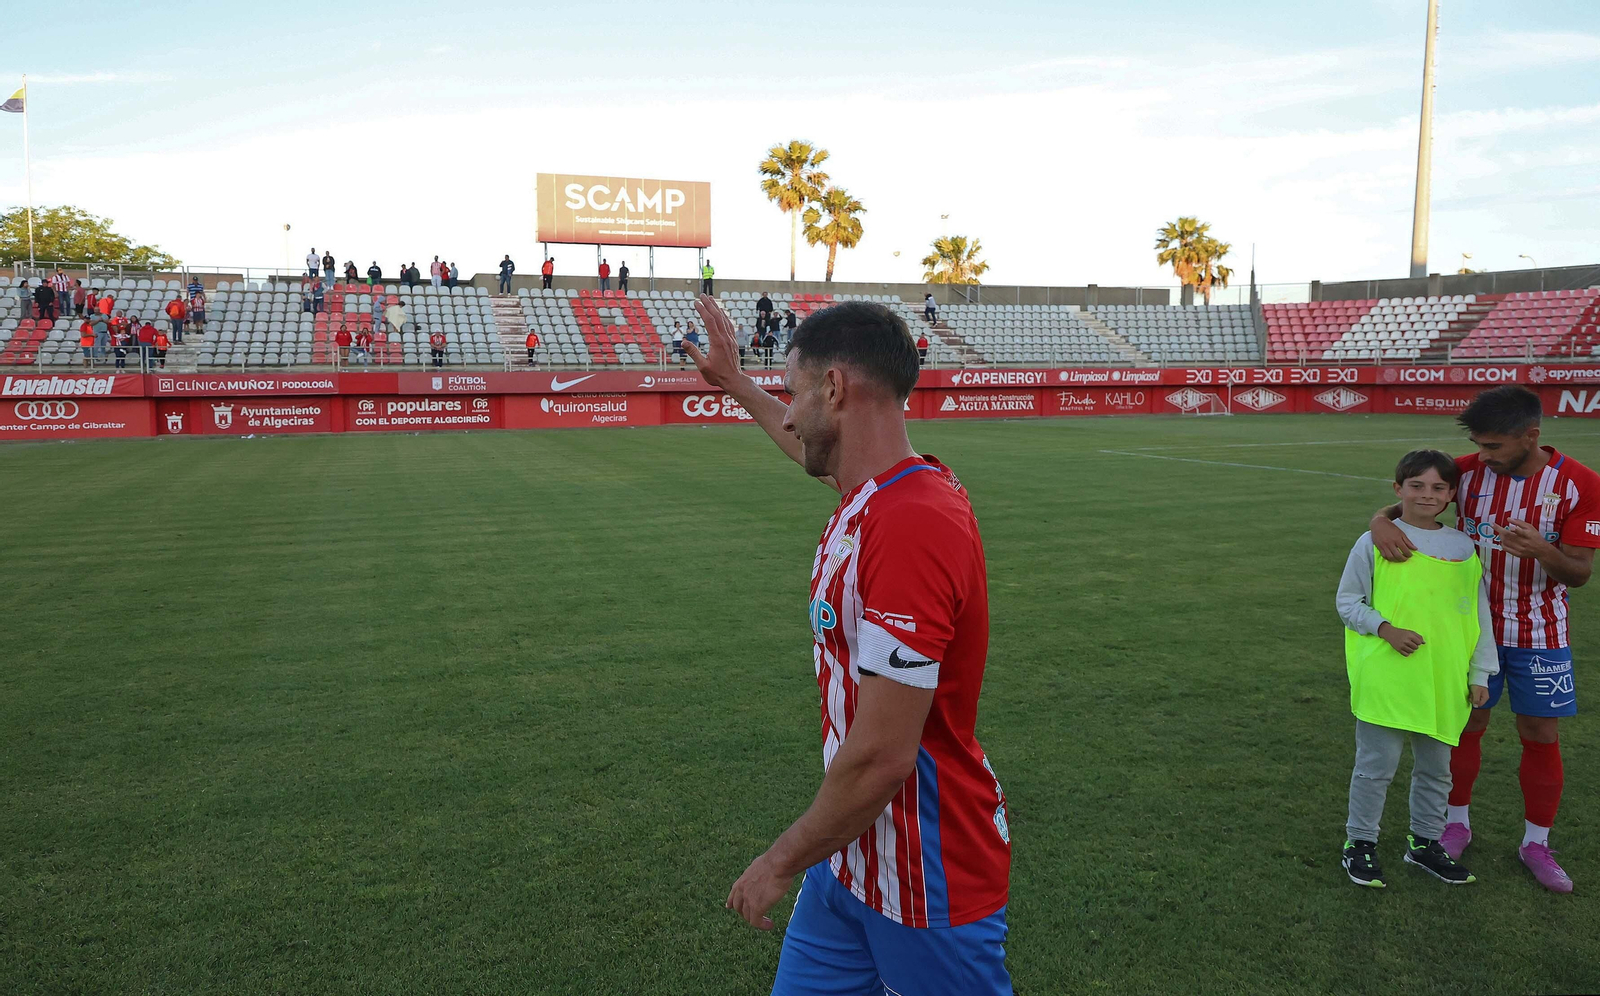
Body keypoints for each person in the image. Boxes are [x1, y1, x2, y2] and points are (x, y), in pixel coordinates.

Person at [683, 297, 1011, 995]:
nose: (790, 415)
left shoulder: (913, 524)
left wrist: (779, 860)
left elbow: (885, 757)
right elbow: (803, 441)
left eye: (795, 393)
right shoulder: (874, 496)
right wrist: (737, 384)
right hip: (849, 857)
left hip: (924, 876)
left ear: (834, 388)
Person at [1370, 386, 1600, 894]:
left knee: (1540, 733)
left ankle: (1536, 843)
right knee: (1464, 725)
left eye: (1493, 446)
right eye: (1479, 444)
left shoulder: (1580, 484)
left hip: (1540, 632)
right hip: (1466, 632)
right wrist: (1378, 520)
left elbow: (1580, 574)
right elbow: (1413, 499)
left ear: (1530, 437)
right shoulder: (1468, 471)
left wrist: (1542, 549)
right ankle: (1455, 825)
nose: (1483, 455)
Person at [1338, 449, 1496, 889]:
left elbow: (1477, 616)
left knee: (1437, 769)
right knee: (1376, 766)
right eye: (1417, 485)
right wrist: (1384, 628)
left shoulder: (1464, 548)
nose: (1427, 495)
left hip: (1443, 679)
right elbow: (1348, 602)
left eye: (1438, 487)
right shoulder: (1374, 541)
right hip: (1388, 673)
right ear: (1398, 490)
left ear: (1450, 496)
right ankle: (1360, 844)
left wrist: (1480, 673)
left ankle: (1425, 843)